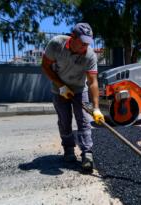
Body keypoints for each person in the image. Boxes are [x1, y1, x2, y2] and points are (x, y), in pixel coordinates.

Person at [41, 22, 104, 172]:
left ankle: (87, 154)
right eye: (82, 43)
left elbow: (93, 82)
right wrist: (61, 86)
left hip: (79, 89)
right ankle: (68, 149)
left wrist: (96, 108)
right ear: (73, 37)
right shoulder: (56, 44)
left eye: (88, 44)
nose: (85, 47)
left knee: (83, 120)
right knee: (64, 121)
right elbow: (45, 66)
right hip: (59, 88)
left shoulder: (90, 55)